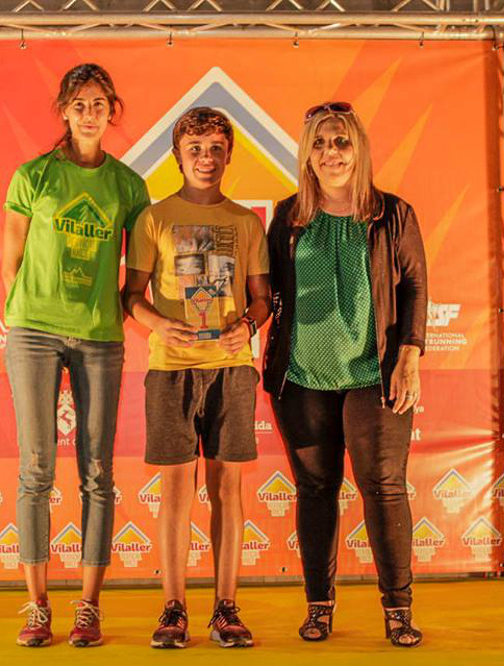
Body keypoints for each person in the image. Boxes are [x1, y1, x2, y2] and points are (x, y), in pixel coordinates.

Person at [262, 102, 427, 648]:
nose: (331, 153)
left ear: (359, 149)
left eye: (341, 142)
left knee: (383, 487)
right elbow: (267, 291)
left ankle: (398, 610)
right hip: (302, 377)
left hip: (375, 377)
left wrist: (409, 355)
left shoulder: (392, 214)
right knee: (315, 489)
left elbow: (414, 287)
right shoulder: (288, 217)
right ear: (306, 155)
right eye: (320, 143)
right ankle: (319, 607)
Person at [1, 63, 149, 648]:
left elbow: (139, 269)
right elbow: (10, 261)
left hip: (99, 337)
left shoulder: (127, 186)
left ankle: (88, 607)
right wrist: (26, 316)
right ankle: (37, 606)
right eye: (79, 104)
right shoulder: (33, 175)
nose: (89, 113)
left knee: (97, 473)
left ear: (112, 111)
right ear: (63, 110)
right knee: (36, 469)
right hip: (34, 331)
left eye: (99, 104)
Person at [123, 107, 271, 649]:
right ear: (177, 156)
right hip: (170, 369)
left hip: (231, 369)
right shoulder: (153, 219)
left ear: (229, 155)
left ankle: (226, 608)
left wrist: (247, 327)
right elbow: (131, 296)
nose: (205, 158)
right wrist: (159, 324)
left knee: (227, 490)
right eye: (195, 149)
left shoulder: (247, 222)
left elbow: (262, 299)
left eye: (215, 149)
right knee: (176, 492)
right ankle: (174, 607)